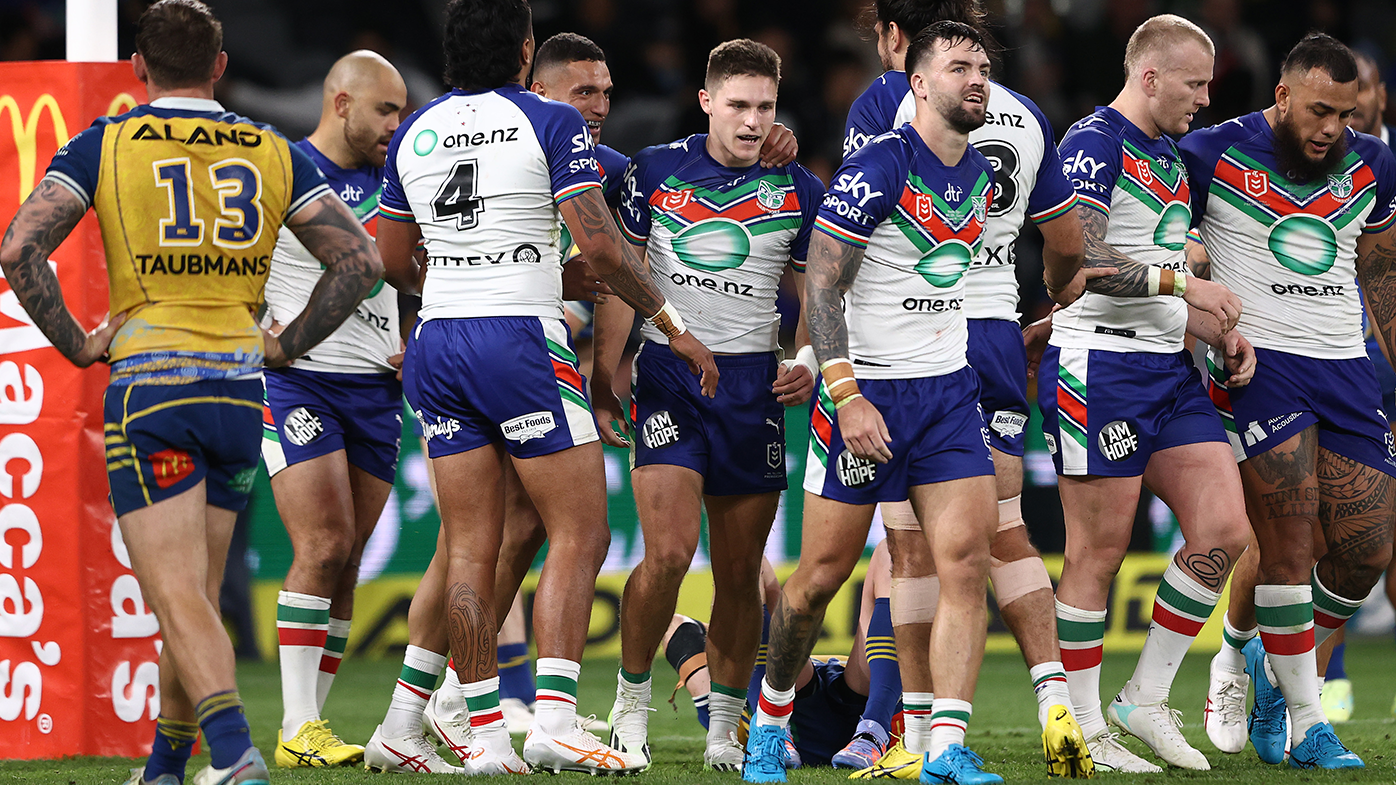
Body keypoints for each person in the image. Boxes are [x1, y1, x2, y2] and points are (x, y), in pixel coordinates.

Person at [0, 2, 383, 784]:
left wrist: (78, 343)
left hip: (153, 389)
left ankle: (236, 752)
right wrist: (286, 343)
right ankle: (168, 765)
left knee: (175, 596)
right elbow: (359, 262)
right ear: (219, 66)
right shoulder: (270, 148)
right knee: (199, 594)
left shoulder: (106, 142)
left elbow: (20, 247)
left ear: (138, 69)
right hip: (240, 393)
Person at [366, 0, 717, 776]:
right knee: (582, 531)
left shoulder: (417, 129)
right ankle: (554, 718)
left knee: (471, 548)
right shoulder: (550, 125)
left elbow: (390, 259)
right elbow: (602, 246)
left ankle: (470, 729)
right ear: (525, 52)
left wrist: (467, 273)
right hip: (519, 342)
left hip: (438, 341)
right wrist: (672, 319)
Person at [743, 22, 1004, 785]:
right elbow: (822, 284)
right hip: (866, 395)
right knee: (819, 577)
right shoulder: (880, 165)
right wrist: (846, 394)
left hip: (948, 395)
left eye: (983, 67)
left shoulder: (982, 171)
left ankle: (944, 747)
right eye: (959, 68)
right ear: (918, 84)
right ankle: (770, 717)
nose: (977, 80)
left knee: (964, 564)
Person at [840, 1, 1094, 774]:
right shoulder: (1022, 112)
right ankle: (1058, 701)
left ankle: (912, 736)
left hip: (917, 340)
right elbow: (1067, 246)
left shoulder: (893, 98)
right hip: (994, 329)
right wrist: (1048, 300)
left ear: (900, 41)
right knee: (1002, 528)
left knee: (915, 548)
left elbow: (859, 232)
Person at [597, 38, 824, 772]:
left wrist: (807, 358)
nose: (753, 121)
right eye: (738, 105)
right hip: (670, 376)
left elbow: (821, 291)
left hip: (753, 389)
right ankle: (629, 706)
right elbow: (624, 273)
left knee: (739, 571)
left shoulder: (796, 186)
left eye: (764, 106)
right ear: (706, 102)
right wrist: (609, 366)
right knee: (666, 553)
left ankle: (724, 727)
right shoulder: (655, 170)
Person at [1046, 13, 1257, 773]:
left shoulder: (1167, 156)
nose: (1205, 97)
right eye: (1195, 83)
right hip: (1097, 364)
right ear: (1150, 76)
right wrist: (1186, 281)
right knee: (1096, 551)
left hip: (1171, 365)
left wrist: (1213, 323)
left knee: (1224, 529)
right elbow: (1080, 255)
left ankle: (1145, 695)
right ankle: (1083, 726)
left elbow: (1172, 258)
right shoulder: (1093, 141)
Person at [1182, 33, 1396, 769]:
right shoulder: (1210, 153)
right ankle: (1306, 718)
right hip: (1259, 364)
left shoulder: (1373, 164)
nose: (1332, 127)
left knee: (1368, 548)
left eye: (1343, 113)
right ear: (1281, 97)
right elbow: (1158, 233)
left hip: (1346, 367)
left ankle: (1257, 658)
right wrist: (1192, 290)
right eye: (1318, 111)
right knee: (1289, 540)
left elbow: (1382, 275)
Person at [260, 50, 407, 769]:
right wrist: (254, 332)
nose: (397, 124)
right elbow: (233, 253)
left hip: (379, 390)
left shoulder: (399, 180)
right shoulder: (282, 168)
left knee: (346, 562)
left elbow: (420, 271)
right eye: (386, 109)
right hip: (300, 381)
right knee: (321, 545)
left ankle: (309, 726)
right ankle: (295, 723)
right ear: (341, 102)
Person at [666, 543, 900, 768]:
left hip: (795, 698)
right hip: (866, 699)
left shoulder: (722, 707)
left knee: (744, 558)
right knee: (891, 552)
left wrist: (723, 639)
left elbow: (675, 627)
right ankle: (873, 731)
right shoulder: (724, 706)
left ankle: (768, 728)